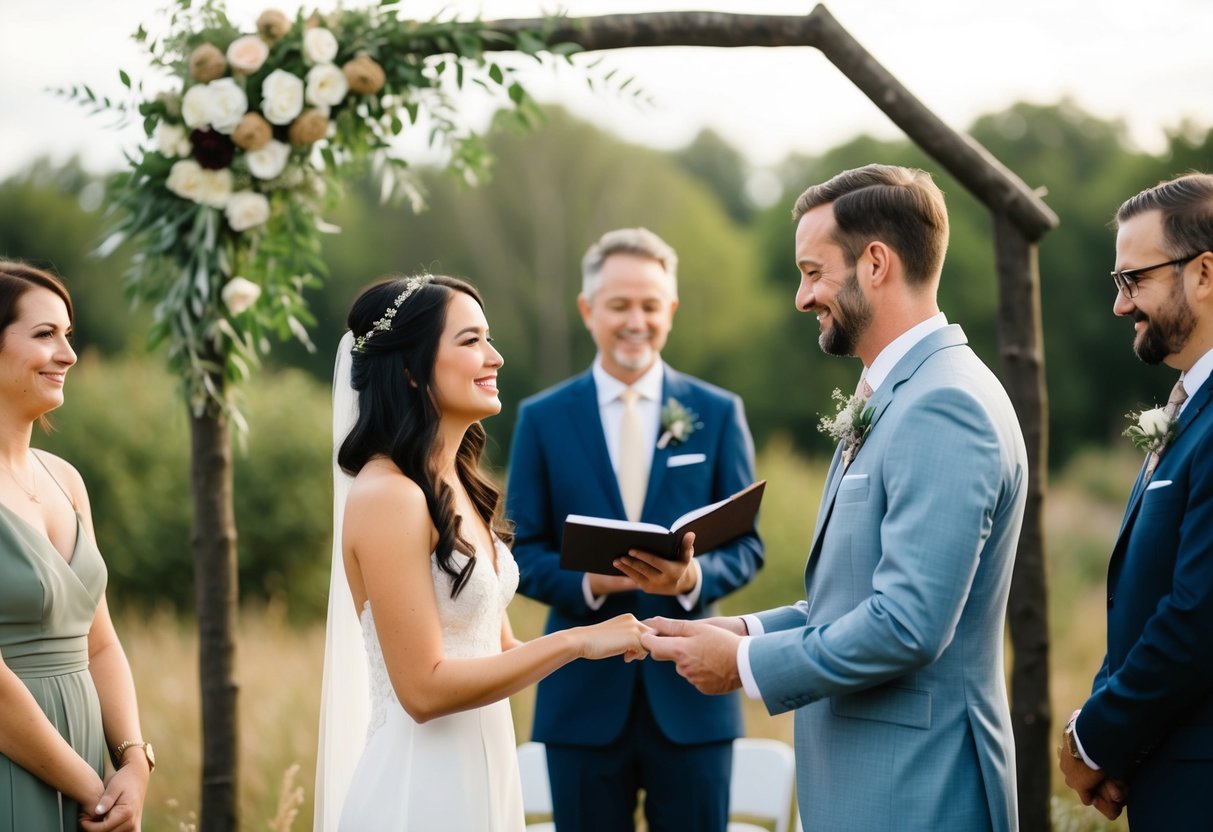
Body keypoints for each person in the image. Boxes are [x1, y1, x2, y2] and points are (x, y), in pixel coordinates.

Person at [642, 165, 1029, 832]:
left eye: (813, 271)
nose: (801, 297)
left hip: (917, 791)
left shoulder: (944, 403)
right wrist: (741, 629)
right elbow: (855, 597)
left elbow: (906, 625)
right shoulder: (897, 392)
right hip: (872, 788)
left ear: (874, 263)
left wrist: (741, 666)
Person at [313, 274, 650, 832]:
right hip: (420, 785)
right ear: (409, 368)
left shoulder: (455, 485)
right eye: (470, 341)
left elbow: (495, 650)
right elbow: (422, 689)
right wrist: (576, 639)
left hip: (485, 768)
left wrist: (634, 639)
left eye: (488, 338)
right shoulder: (388, 495)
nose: (494, 357)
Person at [506, 228, 764, 832]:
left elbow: (749, 546)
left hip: (695, 694)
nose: (635, 321)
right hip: (580, 700)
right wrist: (591, 584)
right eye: (620, 305)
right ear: (588, 309)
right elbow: (518, 552)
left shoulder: (718, 412)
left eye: (650, 305)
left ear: (670, 310)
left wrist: (694, 575)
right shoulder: (541, 418)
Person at [1057, 174, 1213, 830]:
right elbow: (1139, 595)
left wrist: (1091, 739)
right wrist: (1110, 738)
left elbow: (1197, 615)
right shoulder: (1190, 411)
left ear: (1203, 273)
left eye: (1133, 280)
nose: (1119, 305)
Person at [0, 260, 151, 832]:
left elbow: (101, 643)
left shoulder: (65, 480)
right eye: (45, 335)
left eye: (68, 334)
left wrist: (134, 763)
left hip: (91, 770)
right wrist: (94, 790)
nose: (69, 354)